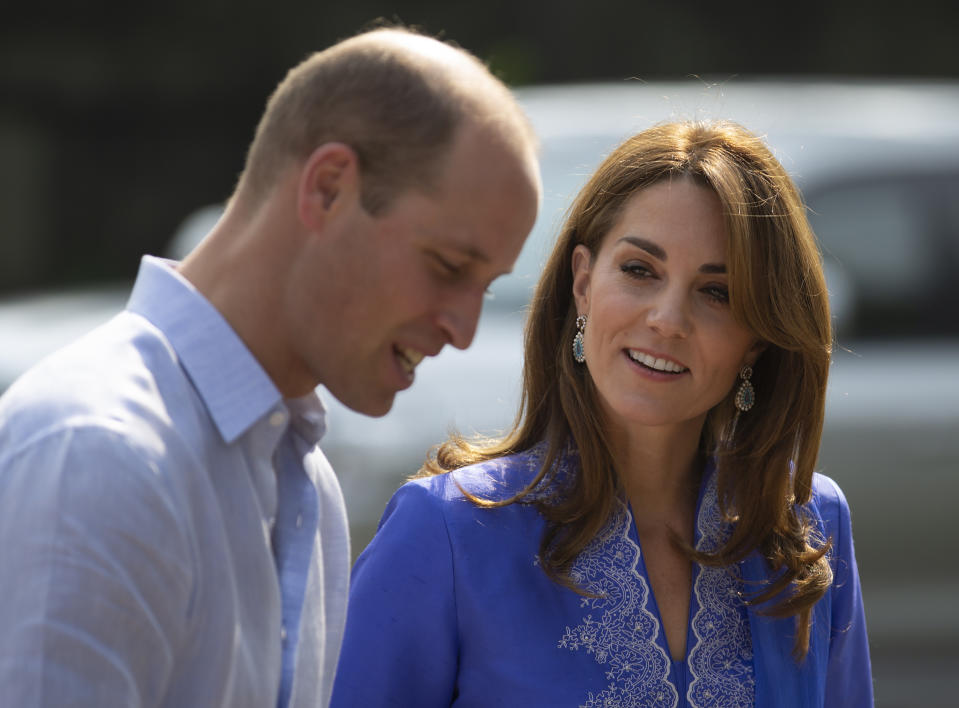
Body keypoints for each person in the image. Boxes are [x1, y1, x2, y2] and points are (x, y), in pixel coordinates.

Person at [0, 27, 539, 708]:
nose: (462, 329)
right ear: (328, 188)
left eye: (484, 288)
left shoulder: (304, 478)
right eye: (448, 267)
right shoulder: (97, 449)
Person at [331, 121, 873, 707]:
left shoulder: (807, 531)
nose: (668, 319)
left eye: (717, 293)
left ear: (758, 341)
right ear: (583, 283)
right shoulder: (445, 533)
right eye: (640, 270)